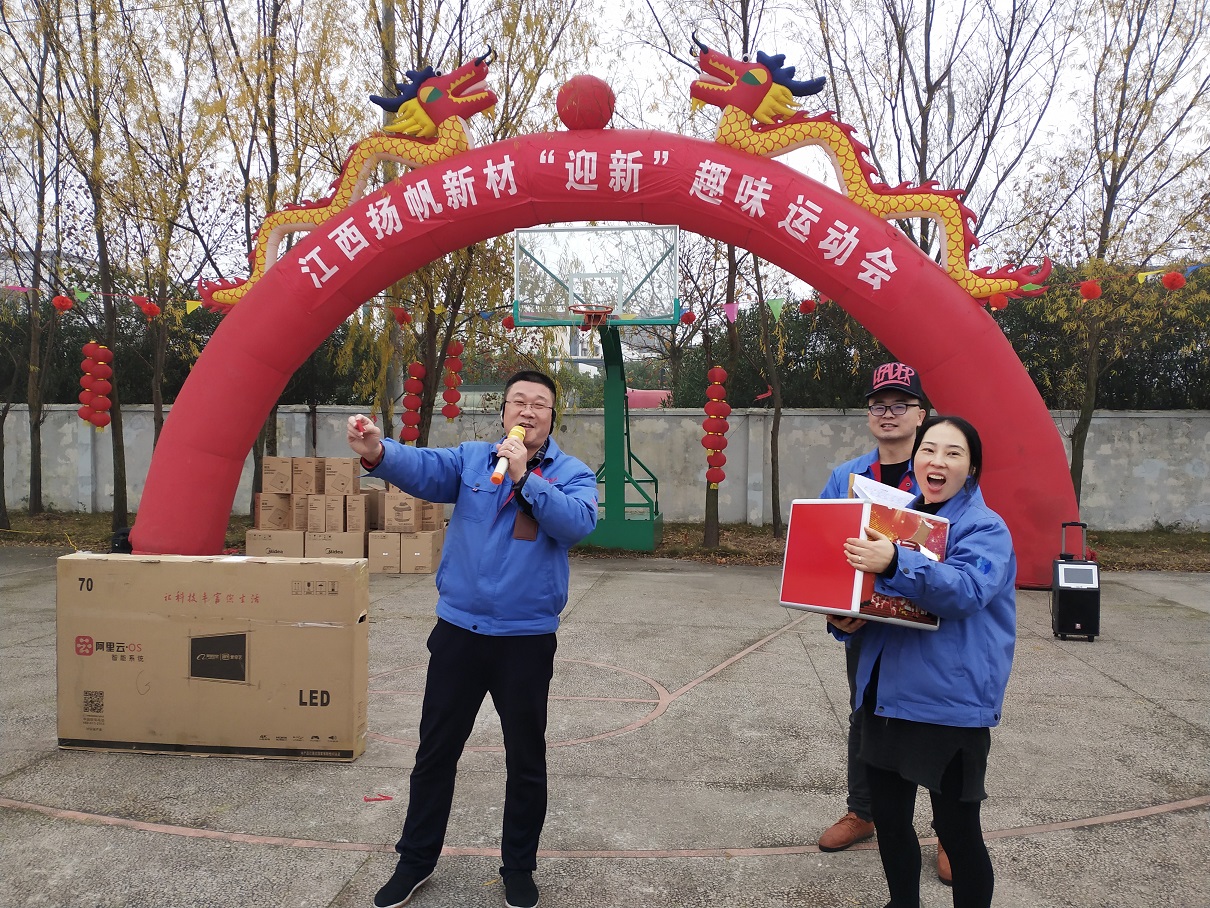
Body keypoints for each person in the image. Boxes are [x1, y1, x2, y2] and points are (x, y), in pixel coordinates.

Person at [347, 369, 599, 908]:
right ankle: (415, 861)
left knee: (525, 760)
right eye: (518, 402)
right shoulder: (472, 461)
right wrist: (378, 452)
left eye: (539, 404)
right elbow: (423, 468)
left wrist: (526, 478)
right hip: (458, 633)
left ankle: (519, 868)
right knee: (435, 753)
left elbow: (578, 524)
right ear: (503, 412)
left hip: (525, 641)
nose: (527, 411)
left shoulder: (572, 474)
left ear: (551, 418)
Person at [830, 415, 1017, 908]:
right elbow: (872, 595)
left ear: (972, 468)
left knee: (957, 831)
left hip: (947, 703)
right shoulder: (894, 521)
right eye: (929, 450)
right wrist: (846, 618)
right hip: (883, 697)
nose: (938, 461)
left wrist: (895, 561)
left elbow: (967, 591)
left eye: (954, 453)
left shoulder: (985, 528)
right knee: (891, 822)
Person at [817, 363, 944, 867]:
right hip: (866, 625)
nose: (887, 414)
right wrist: (835, 613)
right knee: (865, 713)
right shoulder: (846, 477)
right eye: (878, 405)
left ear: (921, 414)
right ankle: (862, 811)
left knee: (933, 724)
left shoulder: (937, 476)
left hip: (926, 624)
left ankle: (949, 831)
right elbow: (825, 547)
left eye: (900, 405)